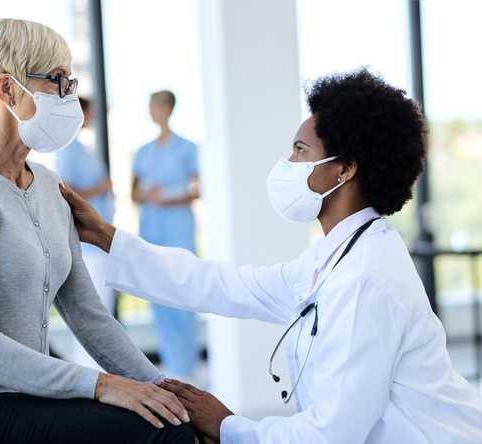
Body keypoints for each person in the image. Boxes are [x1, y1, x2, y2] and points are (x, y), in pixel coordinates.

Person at [60, 68, 482, 444]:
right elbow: (229, 286)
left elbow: (330, 434)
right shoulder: (335, 258)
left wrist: (227, 425)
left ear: (344, 169)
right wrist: (107, 236)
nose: (288, 163)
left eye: (301, 151)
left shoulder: (364, 278)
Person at [0, 18, 194, 444]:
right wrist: (105, 385)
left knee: (175, 420)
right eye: (57, 80)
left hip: (24, 397)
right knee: (157, 434)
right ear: (7, 90)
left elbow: (88, 316)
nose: (69, 96)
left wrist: (167, 390)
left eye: (70, 82)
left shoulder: (48, 186)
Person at [131, 90, 201, 381]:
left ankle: (187, 366)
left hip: (178, 229)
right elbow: (134, 192)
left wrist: (167, 196)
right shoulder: (143, 151)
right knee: (156, 296)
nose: (151, 112)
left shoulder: (188, 148)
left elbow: (197, 189)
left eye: (154, 107)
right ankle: (171, 367)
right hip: (151, 230)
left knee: (183, 293)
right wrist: (148, 195)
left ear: (168, 108)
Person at [54, 97, 116, 370]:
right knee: (94, 314)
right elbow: (67, 191)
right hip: (88, 245)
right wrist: (101, 187)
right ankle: (91, 373)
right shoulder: (68, 151)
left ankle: (101, 372)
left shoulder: (83, 149)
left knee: (103, 313)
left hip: (101, 243)